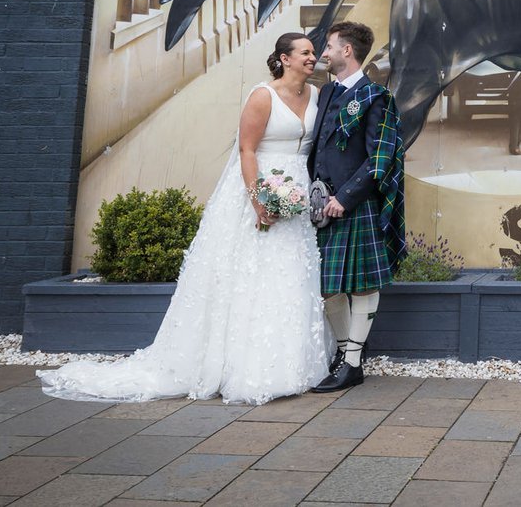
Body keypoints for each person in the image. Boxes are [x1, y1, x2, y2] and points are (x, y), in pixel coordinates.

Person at [38, 33, 332, 405]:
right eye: (305, 52)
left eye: (312, 52)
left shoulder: (317, 96)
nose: (312, 57)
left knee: (289, 273)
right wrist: (258, 200)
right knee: (249, 275)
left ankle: (290, 364)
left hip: (297, 193)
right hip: (260, 187)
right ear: (284, 58)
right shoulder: (263, 96)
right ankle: (237, 367)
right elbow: (246, 149)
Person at [309, 20, 406, 392]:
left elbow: (379, 159)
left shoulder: (376, 96)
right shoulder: (326, 94)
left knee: (363, 285)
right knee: (328, 286)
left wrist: (344, 199)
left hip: (353, 203)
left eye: (329, 46)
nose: (324, 53)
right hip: (321, 206)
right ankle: (345, 354)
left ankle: (351, 363)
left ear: (347, 50)